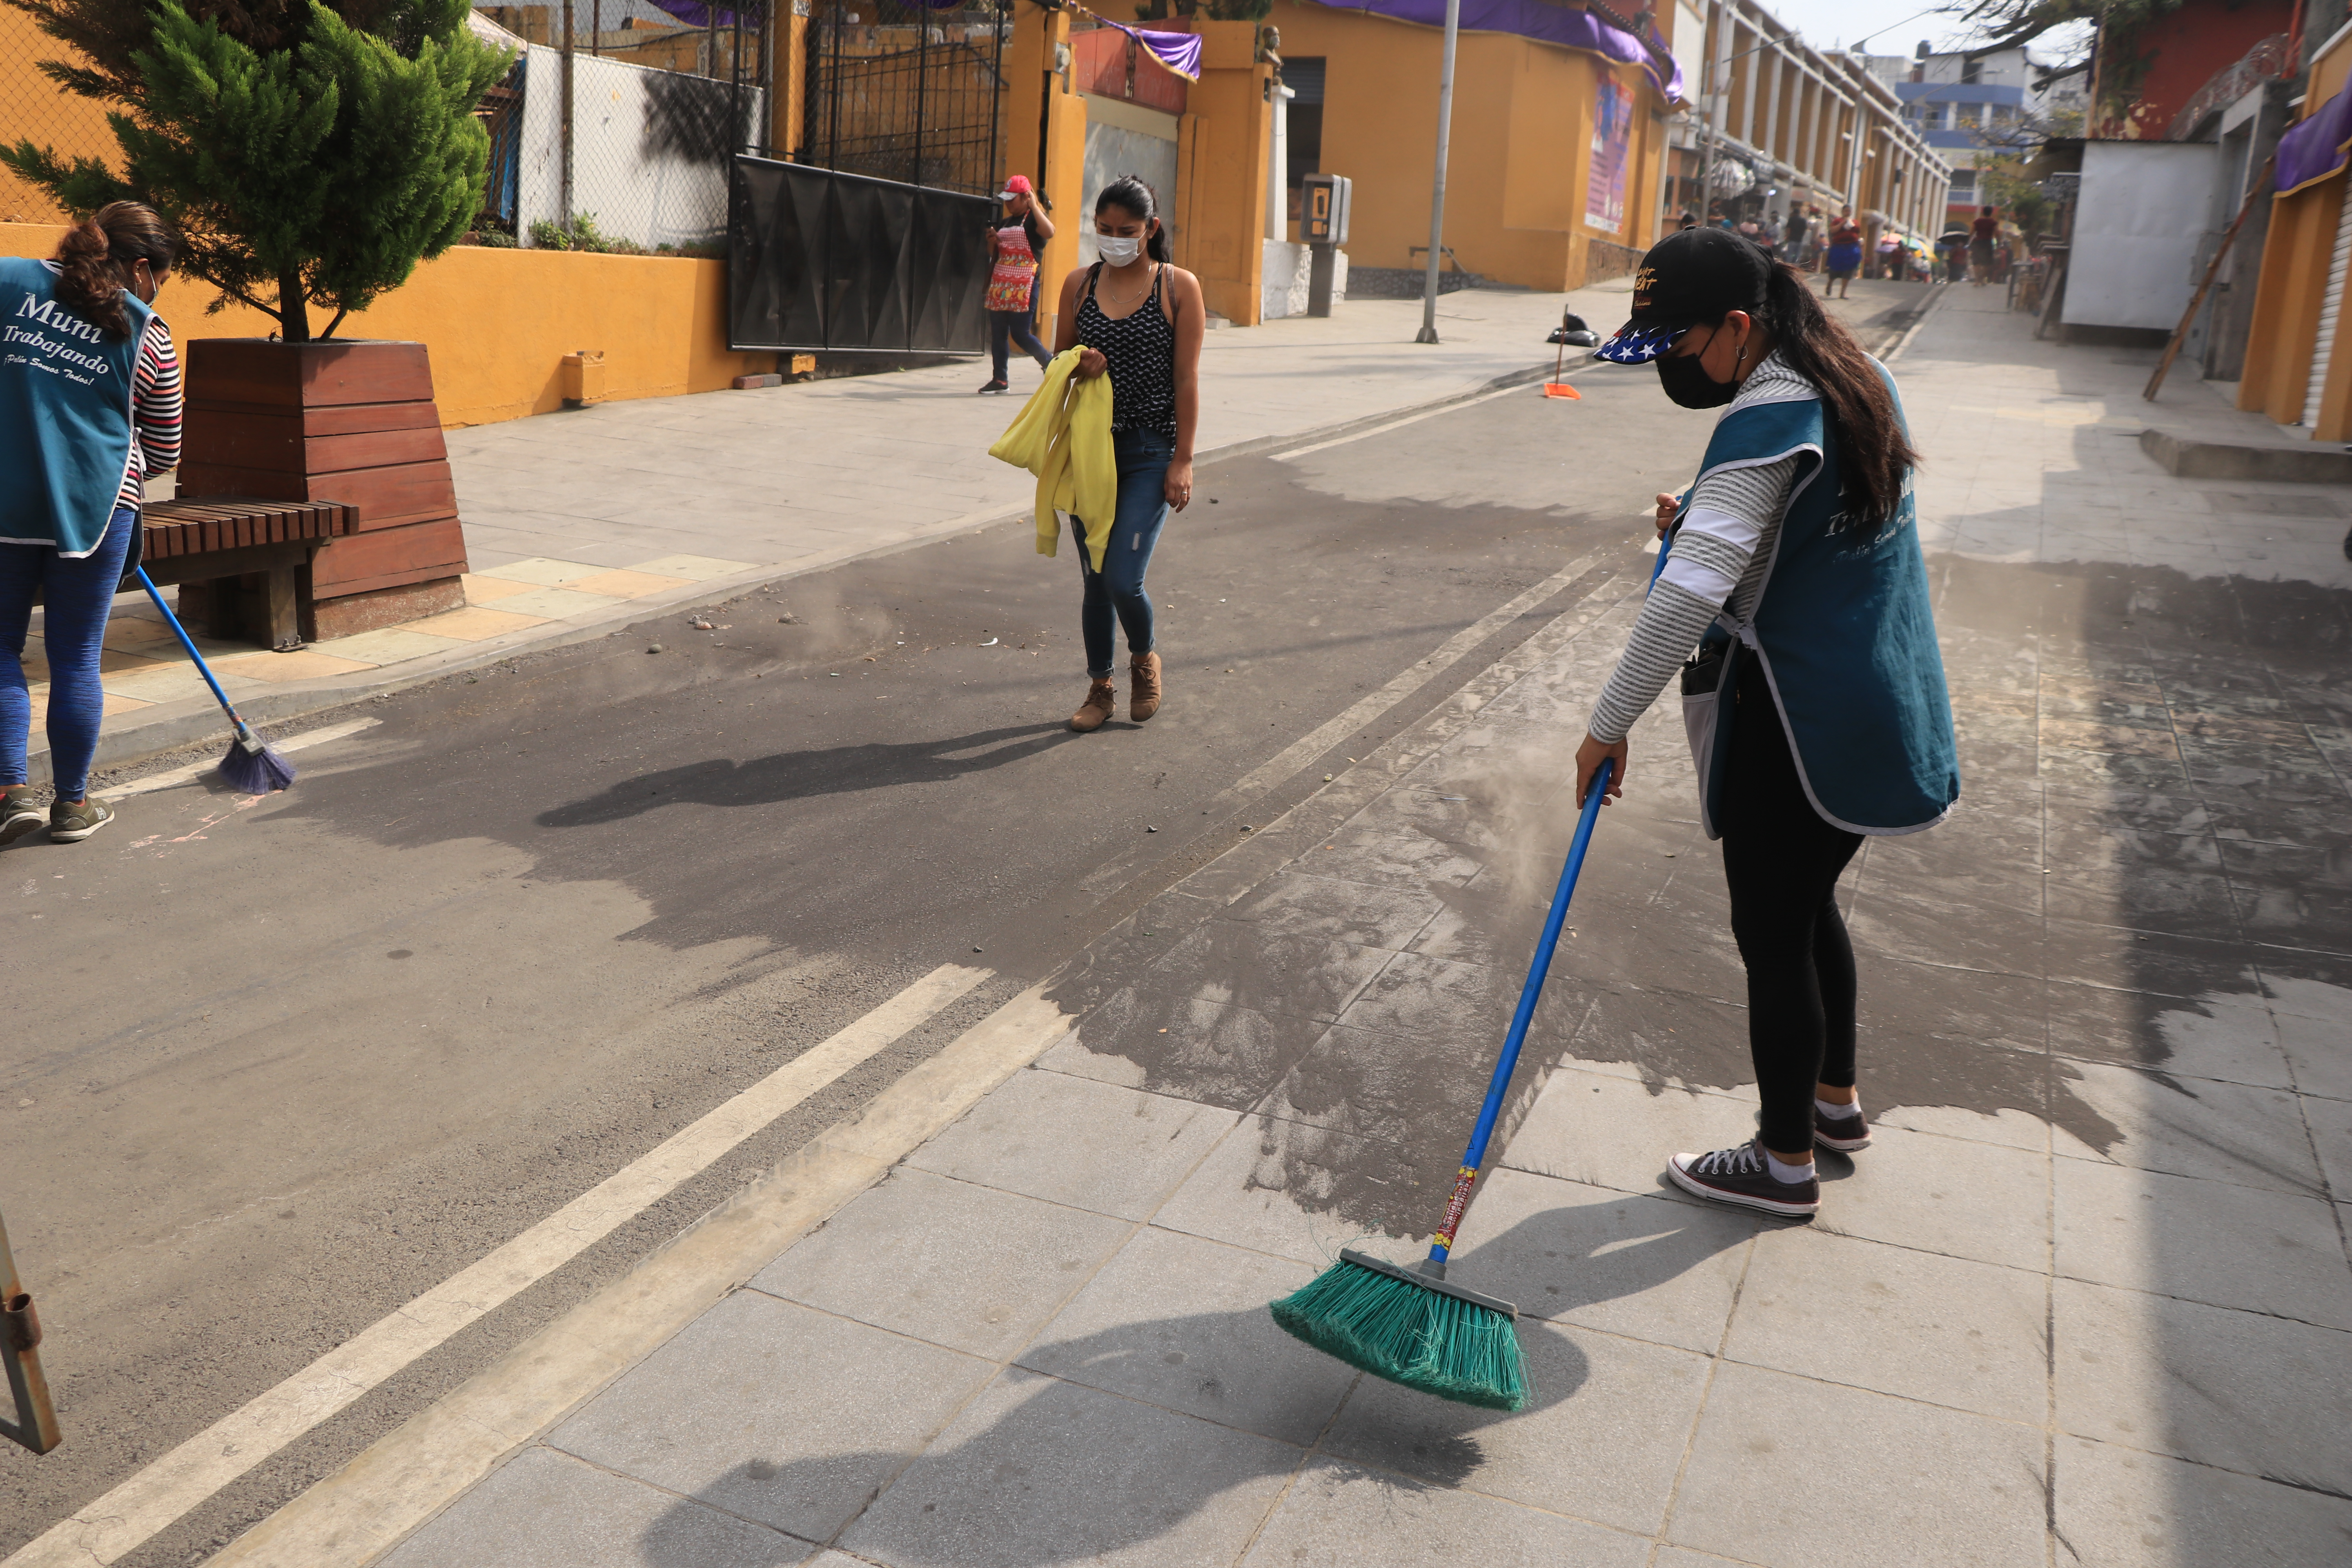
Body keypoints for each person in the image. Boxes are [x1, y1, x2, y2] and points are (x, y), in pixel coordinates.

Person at [1586, 228, 1958, 1219]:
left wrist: (1607, 723)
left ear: (1741, 327)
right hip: (1875, 707)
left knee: (1772, 930)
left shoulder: (1768, 415)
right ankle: (1832, 1105)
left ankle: (1783, 1157)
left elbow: (1683, 602)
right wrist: (1704, 517)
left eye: (1678, 343)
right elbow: (1799, 536)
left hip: (1796, 722)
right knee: (1809, 904)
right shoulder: (1855, 376)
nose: (1672, 363)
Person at [0, 203, 181, 846]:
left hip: (5, 502)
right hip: (99, 510)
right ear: (139, 267)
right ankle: (72, 806)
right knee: (75, 659)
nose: (159, 289)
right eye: (161, 276)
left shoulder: (6, 282)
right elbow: (164, 448)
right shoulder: (148, 333)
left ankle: (7, 793)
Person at [1048, 174, 1204, 733]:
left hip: (1148, 451)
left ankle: (1143, 659)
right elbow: (1056, 362)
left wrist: (1182, 460)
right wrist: (1075, 361)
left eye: (1127, 231)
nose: (1114, 239)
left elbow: (1186, 379)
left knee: (1121, 577)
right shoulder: (1079, 285)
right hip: (1090, 452)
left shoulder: (1178, 287)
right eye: (1105, 229)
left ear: (1151, 230)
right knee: (1094, 580)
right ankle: (1100, 689)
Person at [980, 175, 1056, 394]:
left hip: (1025, 285)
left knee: (1021, 334)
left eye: (1013, 199)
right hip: (1001, 283)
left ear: (1026, 197)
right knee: (999, 333)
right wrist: (993, 242)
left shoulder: (1033, 220)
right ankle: (1000, 379)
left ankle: (1050, 363)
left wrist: (1034, 206)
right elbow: (993, 254)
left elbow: (1050, 232)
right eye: (1007, 199)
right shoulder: (1005, 223)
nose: (1009, 204)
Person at [1822, 207, 1862, 298]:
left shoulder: (1855, 223)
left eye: (1849, 211)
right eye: (1846, 211)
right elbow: (1833, 231)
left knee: (1849, 270)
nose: (1847, 212)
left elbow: (1858, 234)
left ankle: (1843, 292)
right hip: (1839, 248)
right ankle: (1830, 284)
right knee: (1834, 269)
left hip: (1851, 248)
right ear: (1843, 212)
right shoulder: (1837, 221)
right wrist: (1842, 223)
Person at [1969, 205, 2000, 287]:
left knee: (1977, 262)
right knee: (1988, 264)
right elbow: (1997, 234)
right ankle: (1982, 279)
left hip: (1978, 243)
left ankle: (1977, 281)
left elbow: (1971, 233)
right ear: (1991, 213)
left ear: (1983, 212)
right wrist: (1998, 244)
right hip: (1988, 243)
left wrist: (1968, 242)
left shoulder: (1977, 222)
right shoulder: (1993, 223)